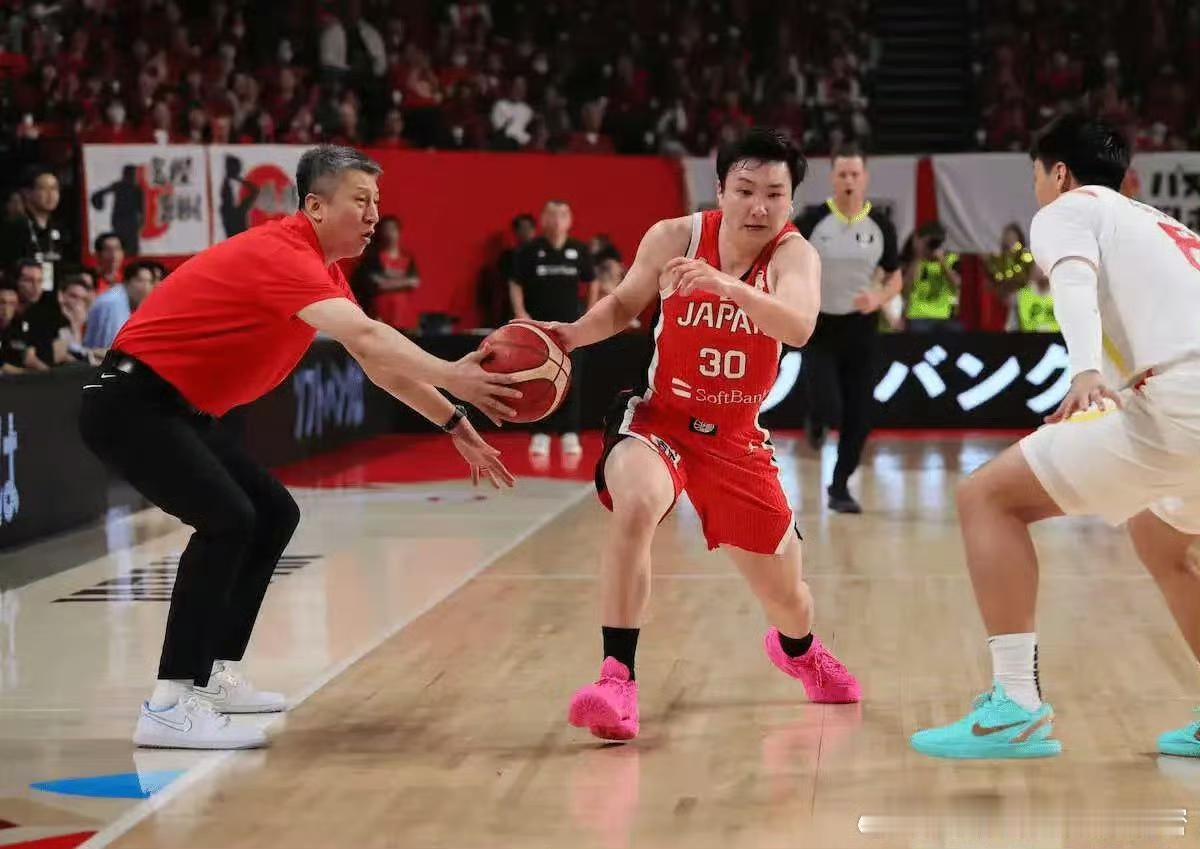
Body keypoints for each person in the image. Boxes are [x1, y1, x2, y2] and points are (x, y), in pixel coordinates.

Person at [78, 145, 522, 751]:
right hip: (132, 404)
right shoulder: (282, 252)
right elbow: (369, 336)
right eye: (360, 201)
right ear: (315, 206)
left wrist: (455, 422)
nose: (374, 215)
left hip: (178, 409)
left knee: (271, 514)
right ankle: (169, 705)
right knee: (228, 520)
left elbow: (377, 362)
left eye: (377, 202)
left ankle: (210, 679)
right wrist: (454, 373)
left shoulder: (322, 270)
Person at [536, 127, 860, 742]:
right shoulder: (675, 237)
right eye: (745, 190)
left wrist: (726, 287)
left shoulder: (794, 255)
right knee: (636, 502)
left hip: (736, 440)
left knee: (790, 599)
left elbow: (798, 326)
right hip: (660, 419)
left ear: (791, 201)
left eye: (774, 194)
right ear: (720, 189)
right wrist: (571, 335)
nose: (758, 206)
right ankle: (616, 679)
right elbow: (623, 306)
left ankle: (798, 650)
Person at [910, 116, 1200, 760]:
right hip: (1187, 405)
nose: (1037, 187)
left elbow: (1071, 281)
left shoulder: (1069, 209)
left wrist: (1085, 370)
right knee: (1161, 538)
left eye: (1036, 174)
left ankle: (1014, 706)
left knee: (987, 498)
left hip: (1181, 405)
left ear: (1059, 172)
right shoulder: (1165, 225)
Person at [795, 145, 901, 514]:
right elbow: (787, 261)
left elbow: (895, 277)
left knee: (860, 416)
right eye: (842, 174)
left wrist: (879, 297)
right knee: (829, 405)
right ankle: (817, 419)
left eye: (855, 174)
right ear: (832, 177)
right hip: (820, 327)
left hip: (861, 329)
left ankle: (840, 487)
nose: (849, 180)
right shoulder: (812, 221)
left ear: (865, 178)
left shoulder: (881, 226)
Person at [509, 200, 596, 458]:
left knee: (572, 379)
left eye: (562, 215)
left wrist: (589, 312)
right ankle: (540, 433)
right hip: (539, 329)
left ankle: (570, 433)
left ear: (569, 221)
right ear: (543, 220)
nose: (557, 220)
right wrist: (521, 312)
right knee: (538, 379)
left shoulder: (579, 250)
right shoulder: (529, 251)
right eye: (551, 215)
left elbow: (591, 281)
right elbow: (515, 282)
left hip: (571, 328)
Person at [351, 216, 419, 330]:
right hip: (379, 318)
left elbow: (414, 282)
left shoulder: (408, 259)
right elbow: (373, 285)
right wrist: (403, 282)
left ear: (399, 232)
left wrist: (386, 281)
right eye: (386, 230)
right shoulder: (372, 260)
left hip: (404, 319)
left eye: (392, 229)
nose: (389, 233)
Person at [902, 221, 961, 332]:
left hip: (944, 315)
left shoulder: (951, 259)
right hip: (918, 315)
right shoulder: (916, 261)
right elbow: (907, 287)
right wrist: (919, 256)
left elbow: (956, 284)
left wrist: (942, 261)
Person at [84, 260, 157, 349]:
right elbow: (112, 348)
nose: (145, 287)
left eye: (150, 282)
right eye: (140, 281)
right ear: (127, 282)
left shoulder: (121, 297)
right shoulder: (115, 303)